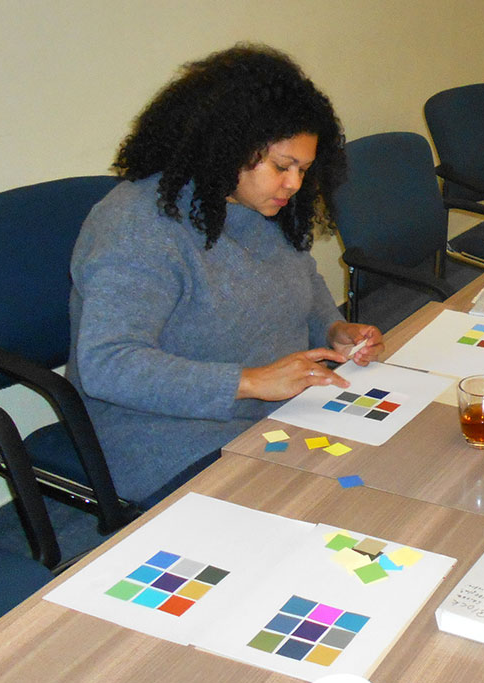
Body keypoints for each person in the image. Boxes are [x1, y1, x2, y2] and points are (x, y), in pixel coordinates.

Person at [68, 44, 384, 505]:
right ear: (226, 146)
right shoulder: (136, 225)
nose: (295, 185)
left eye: (304, 169)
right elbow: (108, 365)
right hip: (168, 434)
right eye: (282, 166)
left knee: (402, 468)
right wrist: (252, 381)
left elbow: (300, 283)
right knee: (340, 512)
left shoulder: (259, 203)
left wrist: (334, 329)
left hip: (277, 410)